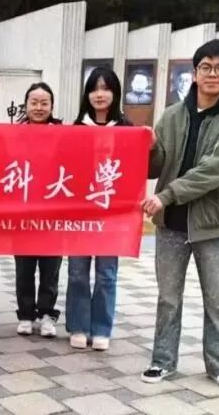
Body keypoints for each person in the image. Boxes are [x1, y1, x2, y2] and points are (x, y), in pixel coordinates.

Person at [141, 39, 219, 393]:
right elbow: (156, 167)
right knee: (168, 298)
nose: (212, 74)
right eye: (205, 67)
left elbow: (215, 169)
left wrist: (167, 195)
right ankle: (162, 361)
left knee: (217, 300)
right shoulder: (173, 115)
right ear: (194, 73)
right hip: (171, 224)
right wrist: (149, 148)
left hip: (212, 225)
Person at [66, 68, 131, 351]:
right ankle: (79, 326)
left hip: (112, 215)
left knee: (106, 274)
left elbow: (137, 171)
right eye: (94, 89)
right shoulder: (76, 129)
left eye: (105, 88)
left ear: (115, 93)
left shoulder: (127, 129)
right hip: (80, 213)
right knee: (77, 272)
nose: (99, 94)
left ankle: (102, 328)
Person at [14, 82, 63, 338]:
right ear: (26, 105)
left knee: (50, 269)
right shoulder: (14, 134)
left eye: (44, 103)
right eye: (34, 102)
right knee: (24, 268)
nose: (39, 107)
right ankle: (25, 314)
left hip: (53, 212)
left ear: (52, 106)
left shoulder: (64, 135)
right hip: (22, 213)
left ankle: (46, 314)